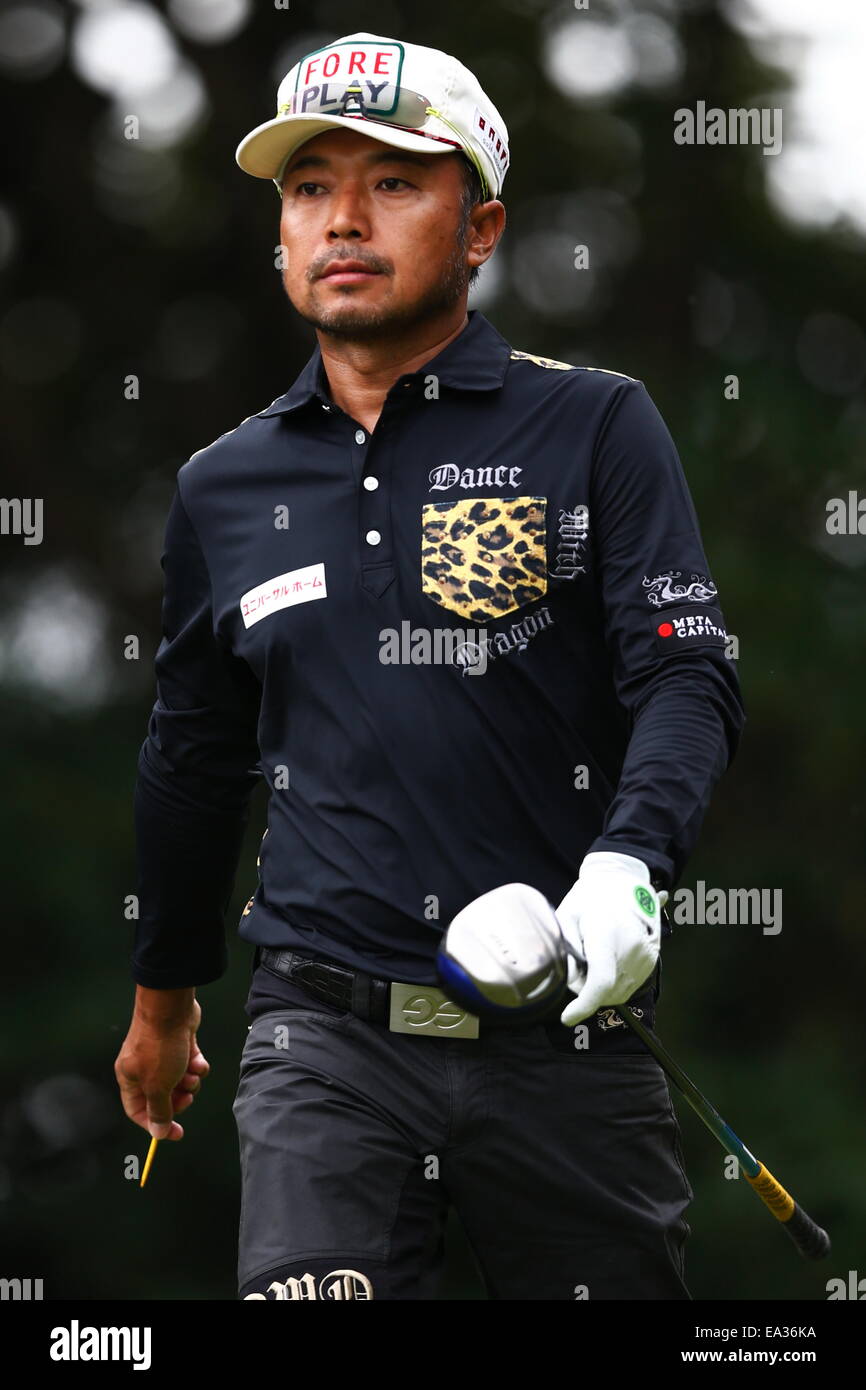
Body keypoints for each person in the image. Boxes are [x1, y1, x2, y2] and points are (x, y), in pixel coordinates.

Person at [114, 31, 745, 1301]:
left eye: (394, 182)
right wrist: (164, 999)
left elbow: (684, 675)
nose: (343, 218)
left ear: (480, 227)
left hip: (565, 1032)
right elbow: (195, 752)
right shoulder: (223, 484)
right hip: (320, 1038)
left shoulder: (594, 423)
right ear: (281, 235)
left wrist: (629, 867)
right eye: (308, 188)